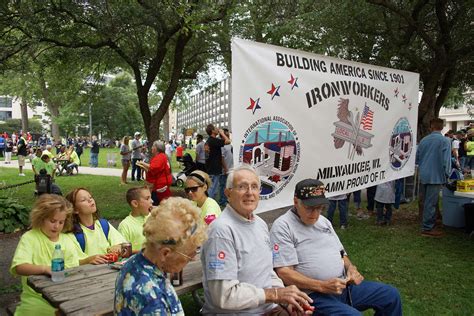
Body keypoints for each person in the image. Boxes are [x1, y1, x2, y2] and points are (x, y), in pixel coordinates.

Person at [270, 178, 402, 315]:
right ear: (296, 202)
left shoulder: (324, 222)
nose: (315, 214)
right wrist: (322, 286)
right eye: (309, 208)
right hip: (312, 295)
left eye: (319, 208)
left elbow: (342, 254)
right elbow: (284, 273)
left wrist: (351, 268)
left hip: (342, 287)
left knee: (390, 295)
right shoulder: (283, 226)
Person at [201, 164, 312, 315]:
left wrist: (286, 300)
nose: (249, 193)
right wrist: (275, 295)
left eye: (254, 187)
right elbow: (223, 296)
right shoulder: (221, 231)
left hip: (268, 308)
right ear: (228, 193)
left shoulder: (260, 224)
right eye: (242, 187)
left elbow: (267, 273)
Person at [114, 197, 207, 315]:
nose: (193, 258)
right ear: (165, 253)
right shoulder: (150, 299)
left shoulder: (134, 262)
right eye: (189, 255)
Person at [10, 194, 81, 315]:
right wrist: (44, 269)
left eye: (61, 222)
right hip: (37, 299)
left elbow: (74, 269)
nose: (56, 226)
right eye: (52, 221)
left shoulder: (67, 240)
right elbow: (19, 267)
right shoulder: (30, 238)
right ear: (41, 217)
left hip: (66, 295)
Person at [65, 188, 127, 264]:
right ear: (75, 209)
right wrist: (88, 260)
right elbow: (72, 262)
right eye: (83, 200)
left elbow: (122, 243)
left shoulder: (103, 224)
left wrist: (118, 246)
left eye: (90, 197)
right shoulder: (72, 233)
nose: (90, 200)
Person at [416, 118, 451, 237]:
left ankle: (427, 223)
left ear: (431, 127)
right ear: (442, 127)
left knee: (426, 201)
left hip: (424, 174)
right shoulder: (445, 141)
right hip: (435, 175)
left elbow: (417, 158)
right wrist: (448, 175)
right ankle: (427, 228)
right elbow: (446, 161)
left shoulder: (423, 141)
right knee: (431, 202)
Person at [118, 187, 153, 253]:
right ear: (135, 203)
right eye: (147, 198)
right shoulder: (125, 225)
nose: (152, 201)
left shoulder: (153, 217)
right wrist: (146, 253)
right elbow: (124, 252)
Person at [140, 141, 173, 205]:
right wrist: (144, 167)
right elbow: (154, 171)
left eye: (153, 146)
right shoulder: (162, 156)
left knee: (157, 204)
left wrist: (142, 163)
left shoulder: (160, 157)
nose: (151, 148)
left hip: (160, 186)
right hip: (160, 185)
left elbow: (153, 167)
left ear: (156, 148)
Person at [205, 124, 230, 200]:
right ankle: (208, 205)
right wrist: (222, 133)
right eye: (216, 128)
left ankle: (209, 205)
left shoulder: (210, 140)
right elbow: (228, 141)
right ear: (212, 131)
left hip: (212, 169)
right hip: (214, 169)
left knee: (213, 189)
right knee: (213, 189)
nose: (218, 129)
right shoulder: (213, 140)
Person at [219, 128, 233, 207]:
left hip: (231, 168)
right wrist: (225, 168)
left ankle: (227, 200)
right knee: (223, 185)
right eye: (226, 134)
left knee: (229, 186)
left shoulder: (229, 144)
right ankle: (222, 201)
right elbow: (221, 158)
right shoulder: (221, 144)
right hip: (225, 170)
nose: (228, 135)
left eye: (228, 133)